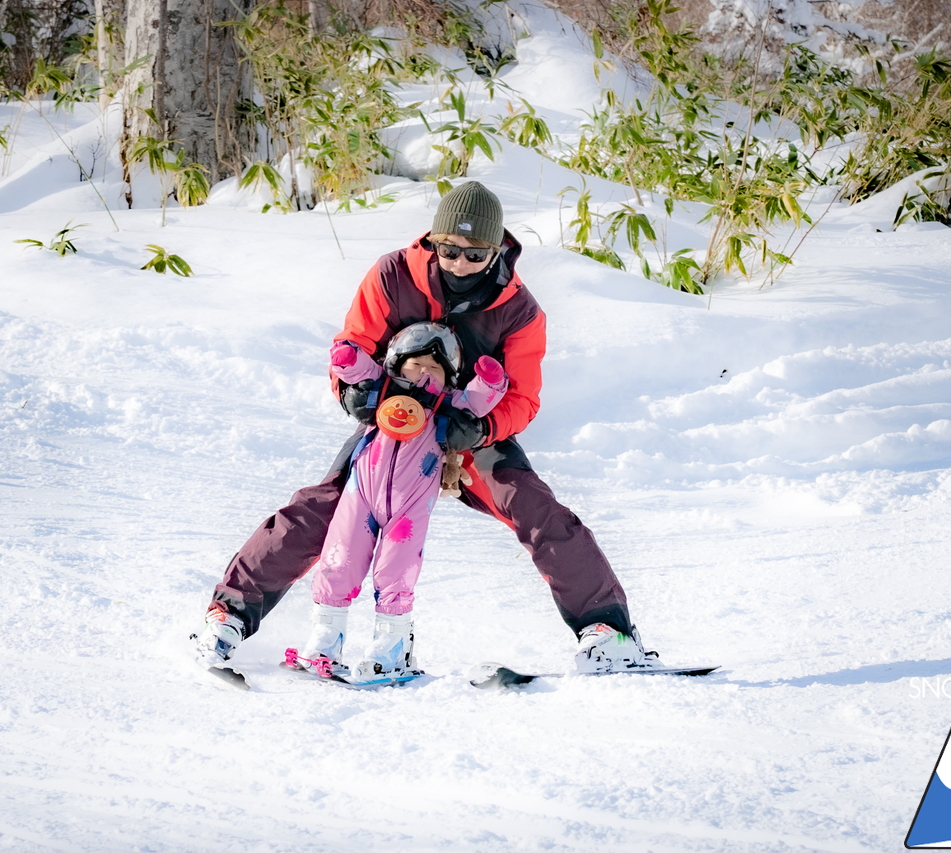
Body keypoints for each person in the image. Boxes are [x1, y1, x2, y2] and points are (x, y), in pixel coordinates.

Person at [196, 180, 658, 676]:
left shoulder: (519, 311)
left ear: (497, 249)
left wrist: (480, 430)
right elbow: (352, 348)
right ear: (432, 241)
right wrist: (351, 392)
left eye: (474, 255)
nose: (459, 264)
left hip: (467, 426)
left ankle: (609, 631)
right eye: (449, 250)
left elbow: (523, 398)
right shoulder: (393, 274)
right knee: (323, 506)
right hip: (396, 423)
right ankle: (229, 614)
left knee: (533, 506)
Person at [286, 324, 509, 680]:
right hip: (361, 495)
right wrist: (346, 359)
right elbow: (361, 370)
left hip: (410, 508)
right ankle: (325, 640)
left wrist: (490, 380)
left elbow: (478, 400)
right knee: (339, 558)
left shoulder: (445, 406)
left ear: (447, 376)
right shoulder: (383, 391)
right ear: (397, 363)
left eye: (435, 367)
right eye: (416, 363)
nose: (424, 372)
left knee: (396, 568)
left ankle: (391, 647)